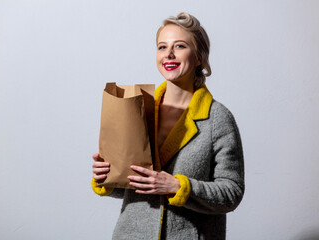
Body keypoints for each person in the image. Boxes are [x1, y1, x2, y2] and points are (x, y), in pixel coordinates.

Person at [91, 12, 244, 240]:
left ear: (199, 56)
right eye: (162, 47)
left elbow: (232, 192)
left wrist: (177, 186)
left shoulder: (217, 118)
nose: (169, 54)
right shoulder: (138, 108)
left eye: (180, 46)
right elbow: (136, 187)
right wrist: (108, 176)